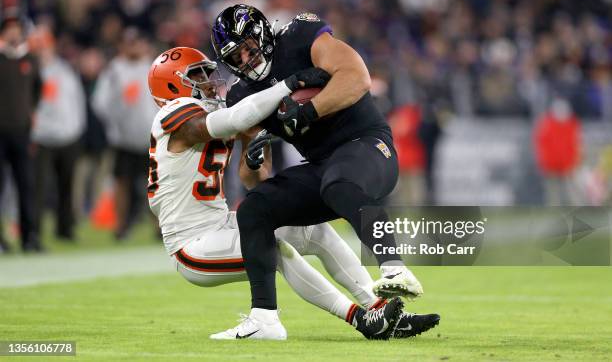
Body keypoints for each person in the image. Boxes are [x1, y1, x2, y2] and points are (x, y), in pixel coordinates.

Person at [147, 47, 438, 340]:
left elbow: (254, 183)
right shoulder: (171, 115)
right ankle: (358, 319)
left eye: (208, 72)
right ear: (171, 85)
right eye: (196, 75)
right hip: (191, 245)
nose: (209, 81)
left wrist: (252, 159)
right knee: (272, 247)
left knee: (315, 231)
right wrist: (286, 85)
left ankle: (381, 310)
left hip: (222, 223)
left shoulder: (215, 113)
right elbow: (235, 119)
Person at [211, 4, 425, 322]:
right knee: (254, 208)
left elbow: (358, 78)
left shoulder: (299, 37)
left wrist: (309, 111)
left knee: (339, 183)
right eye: (234, 57)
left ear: (262, 35)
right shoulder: (243, 94)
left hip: (367, 145)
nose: (245, 60)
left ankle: (395, 269)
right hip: (322, 166)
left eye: (247, 48)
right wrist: (253, 161)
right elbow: (254, 177)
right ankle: (263, 317)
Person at [92, 27, 157, 240]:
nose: (134, 46)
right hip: (124, 140)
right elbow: (100, 103)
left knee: (156, 184)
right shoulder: (114, 70)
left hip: (151, 137)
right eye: (129, 42)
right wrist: (115, 124)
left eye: (137, 42)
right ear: (122, 45)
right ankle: (120, 226)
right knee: (122, 183)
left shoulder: (154, 67)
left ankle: (160, 227)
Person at [30, 25, 86, 241]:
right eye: (39, 47)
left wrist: (76, 128)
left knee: (67, 187)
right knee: (39, 188)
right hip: (40, 137)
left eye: (45, 46)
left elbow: (76, 100)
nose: (42, 51)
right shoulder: (28, 70)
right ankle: (34, 231)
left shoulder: (64, 70)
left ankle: (65, 228)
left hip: (67, 136)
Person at [0, 13, 42, 252]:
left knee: (26, 185)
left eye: (17, 28)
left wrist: (29, 113)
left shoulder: (30, 60)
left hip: (22, 132)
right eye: (9, 29)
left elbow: (37, 91)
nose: (14, 33)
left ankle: (30, 238)